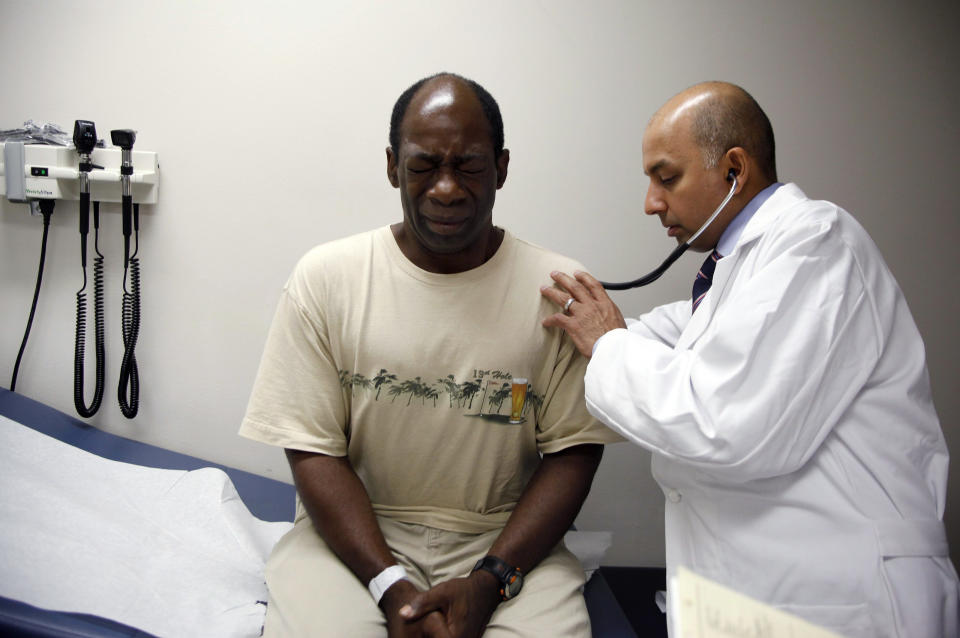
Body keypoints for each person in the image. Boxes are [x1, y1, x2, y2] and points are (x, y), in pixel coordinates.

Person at [540, 81, 958, 638]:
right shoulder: (735, 279)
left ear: (734, 169)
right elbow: (654, 339)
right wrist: (570, 334)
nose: (651, 203)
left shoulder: (817, 243)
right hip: (768, 596)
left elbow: (725, 423)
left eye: (666, 178)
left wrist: (609, 344)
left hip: (845, 600)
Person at [239, 72, 620, 638]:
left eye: (468, 165)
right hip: (357, 539)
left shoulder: (558, 292)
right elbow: (312, 450)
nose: (446, 188)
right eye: (423, 166)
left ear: (502, 167)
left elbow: (573, 453)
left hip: (503, 539)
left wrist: (490, 582)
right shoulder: (327, 280)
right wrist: (389, 586)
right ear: (393, 165)